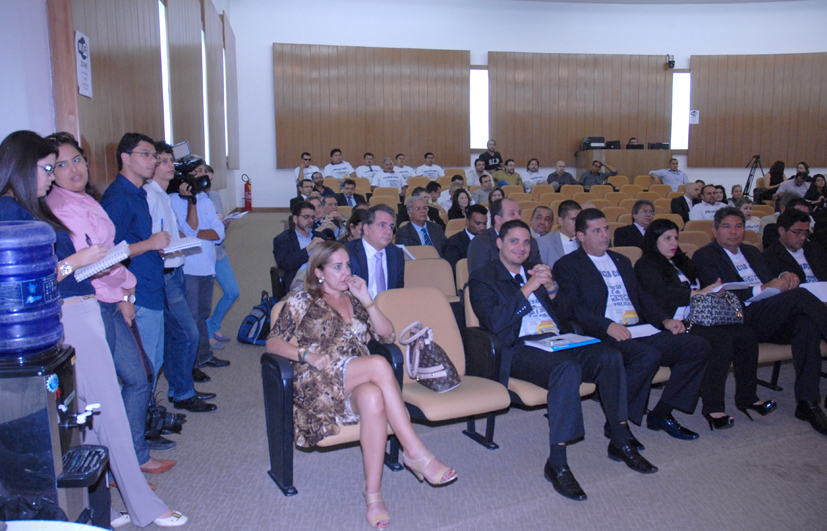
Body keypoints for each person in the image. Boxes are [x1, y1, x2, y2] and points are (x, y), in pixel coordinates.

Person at [0, 130, 187, 528]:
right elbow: (26, 281)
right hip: (69, 313)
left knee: (86, 416)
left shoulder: (30, 207)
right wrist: (78, 260)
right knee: (108, 412)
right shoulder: (12, 212)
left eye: (64, 164)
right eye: (47, 168)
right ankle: (143, 506)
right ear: (22, 168)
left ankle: (101, 506)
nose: (52, 176)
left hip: (77, 309)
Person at [266, 240, 456, 528]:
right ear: (319, 272)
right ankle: (415, 452)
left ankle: (373, 493)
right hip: (317, 381)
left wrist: (366, 299)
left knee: (373, 398)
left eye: (348, 265)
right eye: (337, 267)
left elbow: (387, 336)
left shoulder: (354, 300)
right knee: (378, 365)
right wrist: (305, 354)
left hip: (355, 381)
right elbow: (272, 343)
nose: (346, 272)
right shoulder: (301, 300)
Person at [470, 220, 656, 502]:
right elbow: (495, 323)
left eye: (526, 242)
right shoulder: (483, 278)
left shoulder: (538, 272)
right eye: (514, 241)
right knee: (566, 369)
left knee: (609, 356)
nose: (521, 247)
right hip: (520, 347)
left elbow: (568, 313)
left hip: (557, 341)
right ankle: (557, 462)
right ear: (499, 243)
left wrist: (552, 288)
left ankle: (620, 440)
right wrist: (527, 288)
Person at [553, 209, 709, 441]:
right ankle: (618, 423)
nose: (604, 235)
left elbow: (642, 297)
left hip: (639, 328)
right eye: (596, 231)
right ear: (581, 236)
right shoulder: (567, 265)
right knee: (647, 356)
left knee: (697, 347)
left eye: (606, 229)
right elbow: (574, 308)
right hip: (604, 334)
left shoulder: (621, 260)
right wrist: (607, 326)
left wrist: (664, 320)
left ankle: (662, 412)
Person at [693, 207, 827, 435]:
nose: (733, 232)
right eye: (727, 227)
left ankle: (808, 402)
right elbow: (721, 292)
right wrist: (762, 288)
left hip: (769, 313)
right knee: (801, 296)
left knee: (806, 325)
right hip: (740, 317)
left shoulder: (752, 251)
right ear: (714, 231)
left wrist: (782, 277)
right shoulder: (705, 255)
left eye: (738, 226)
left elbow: (770, 278)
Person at [634, 219, 775, 429]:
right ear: (654, 241)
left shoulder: (681, 261)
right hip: (675, 320)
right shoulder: (646, 265)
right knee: (720, 340)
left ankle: (748, 397)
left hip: (700, 316)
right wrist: (698, 294)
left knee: (744, 333)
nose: (674, 243)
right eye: (667, 238)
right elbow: (662, 295)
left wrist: (714, 289)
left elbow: (700, 287)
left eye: (676, 238)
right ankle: (713, 407)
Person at [144, 142, 215, 413]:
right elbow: (151, 240)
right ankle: (183, 391)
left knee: (176, 336)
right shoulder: (151, 196)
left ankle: (180, 390)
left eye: (170, 160)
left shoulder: (163, 195)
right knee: (187, 333)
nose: (169, 165)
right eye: (162, 160)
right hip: (164, 274)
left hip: (176, 270)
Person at [169, 163, 228, 373]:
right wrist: (191, 203)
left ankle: (204, 355)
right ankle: (191, 364)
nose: (203, 176)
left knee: (203, 313)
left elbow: (219, 234)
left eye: (204, 172)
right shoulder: (173, 200)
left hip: (208, 265)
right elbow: (189, 229)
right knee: (191, 317)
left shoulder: (206, 198)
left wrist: (195, 234)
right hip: (189, 267)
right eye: (198, 172)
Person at [203, 165, 240, 351]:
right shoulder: (189, 200)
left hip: (218, 251)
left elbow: (219, 230)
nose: (207, 184)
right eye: (205, 179)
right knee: (204, 299)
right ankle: (209, 335)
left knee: (232, 291)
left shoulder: (215, 196)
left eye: (210, 180)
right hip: (201, 255)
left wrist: (225, 223)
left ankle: (214, 326)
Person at [345, 204, 405, 298]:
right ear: (366, 229)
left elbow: (398, 291)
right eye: (382, 225)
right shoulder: (347, 252)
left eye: (391, 227)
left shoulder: (396, 254)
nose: (389, 232)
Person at [467, 198, 540, 273]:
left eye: (519, 213)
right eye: (512, 214)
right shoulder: (480, 243)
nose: (519, 217)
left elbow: (538, 271)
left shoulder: (530, 241)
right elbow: (479, 277)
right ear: (498, 219)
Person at [273, 201, 331, 291]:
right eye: (306, 217)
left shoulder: (320, 237)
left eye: (312, 217)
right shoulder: (282, 239)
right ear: (295, 219)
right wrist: (309, 248)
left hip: (321, 276)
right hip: (299, 279)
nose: (310, 221)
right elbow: (285, 263)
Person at [762, 208, 827, 283]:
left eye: (805, 233)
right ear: (782, 230)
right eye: (797, 232)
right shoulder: (769, 257)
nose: (803, 237)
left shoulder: (815, 249)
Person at [444, 204, 487, 272]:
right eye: (478, 223)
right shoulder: (453, 243)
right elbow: (455, 270)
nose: (482, 227)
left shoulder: (491, 240)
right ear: (467, 222)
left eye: (484, 223)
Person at [538, 200, 581, 269]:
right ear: (560, 221)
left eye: (579, 220)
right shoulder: (544, 242)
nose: (577, 223)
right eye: (573, 219)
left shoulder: (584, 243)